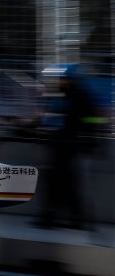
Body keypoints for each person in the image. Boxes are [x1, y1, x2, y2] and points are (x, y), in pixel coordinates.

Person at [33, 64, 102, 229]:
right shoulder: (62, 94)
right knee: (62, 182)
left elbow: (91, 120)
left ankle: (59, 218)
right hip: (61, 143)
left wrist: (88, 138)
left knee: (63, 183)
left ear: (72, 79)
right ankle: (68, 218)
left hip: (70, 145)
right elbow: (50, 117)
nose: (60, 81)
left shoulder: (81, 96)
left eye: (63, 78)